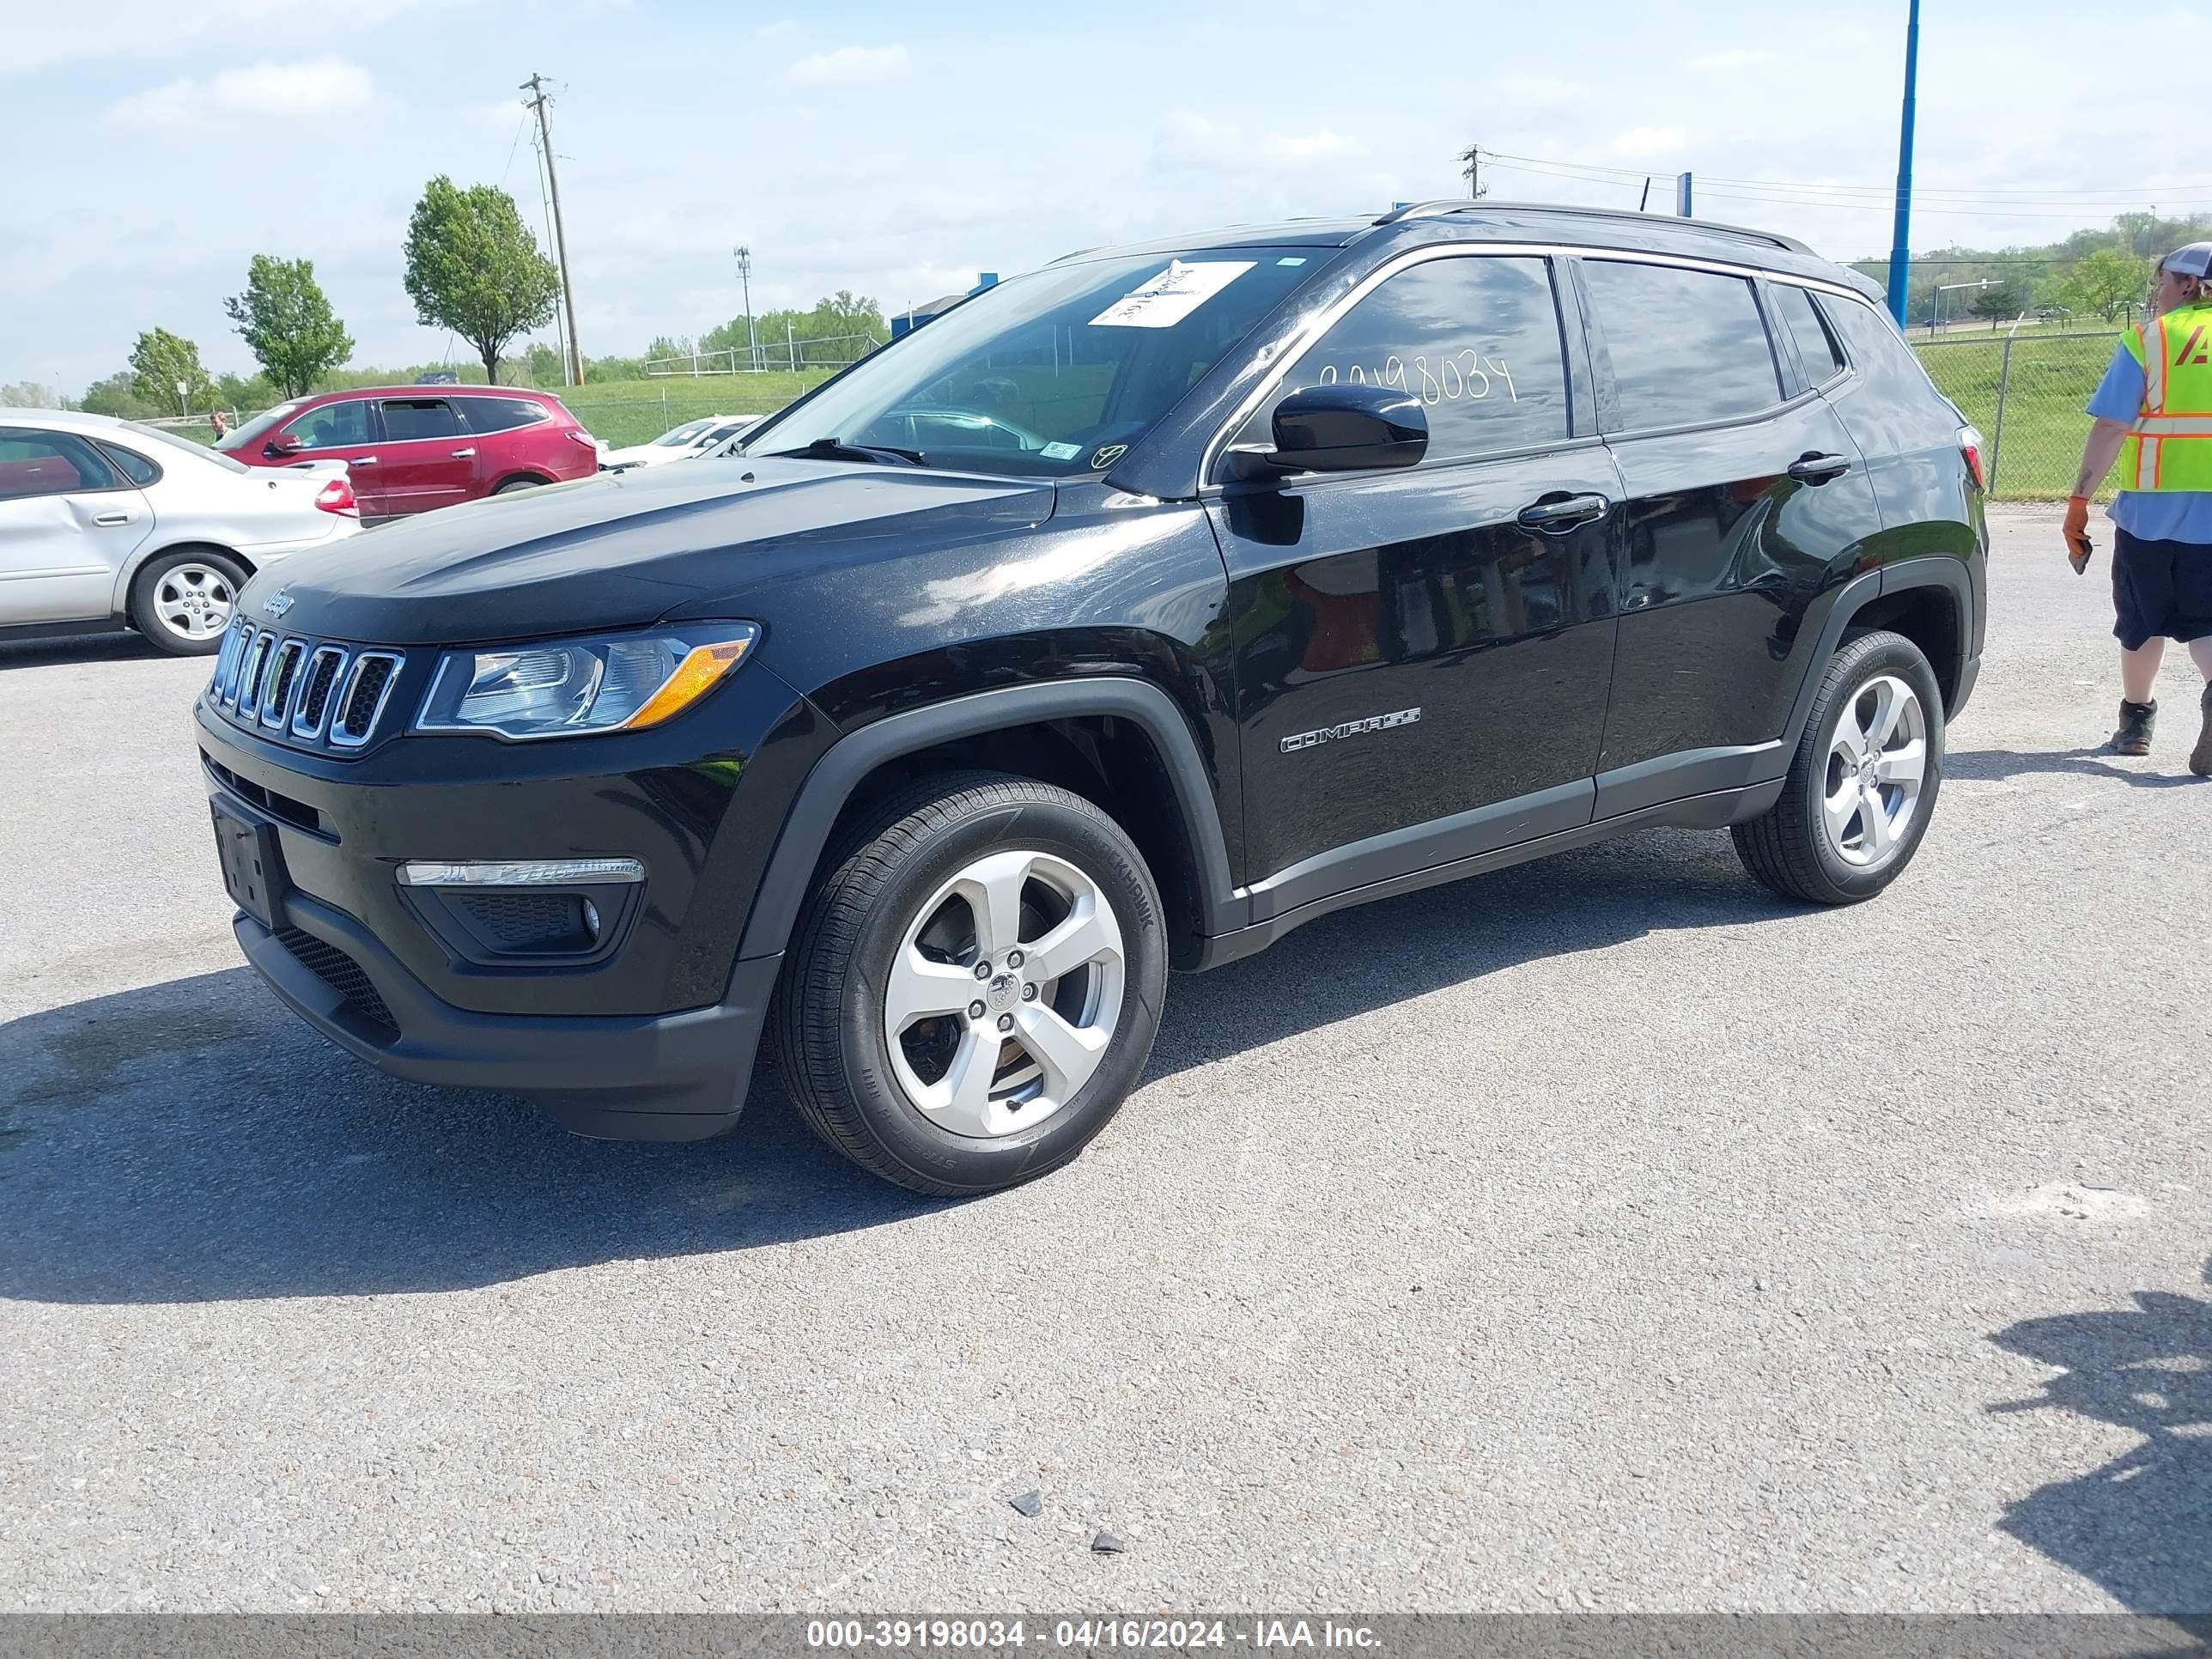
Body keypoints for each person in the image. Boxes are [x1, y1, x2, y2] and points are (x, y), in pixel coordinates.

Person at [2064, 241, 2212, 774]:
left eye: (2164, 280)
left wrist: (2079, 501)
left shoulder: (2148, 341)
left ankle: (2136, 721)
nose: (2158, 291)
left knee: (2142, 621)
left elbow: (2111, 426)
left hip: (2150, 514)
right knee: (2207, 621)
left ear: (2189, 284)